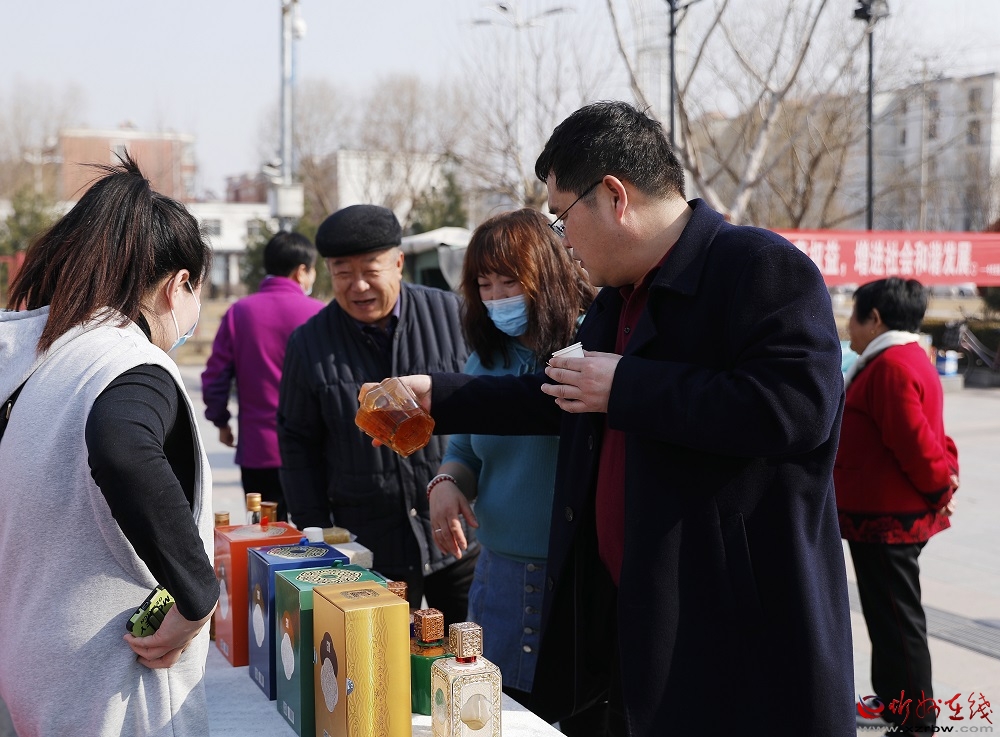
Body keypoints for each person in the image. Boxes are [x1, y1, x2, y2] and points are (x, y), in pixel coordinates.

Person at [369, 102, 855, 736]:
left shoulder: (758, 268)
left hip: (733, 619)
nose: (562, 239)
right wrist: (439, 395)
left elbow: (799, 408)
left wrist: (629, 386)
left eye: (562, 216)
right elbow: (557, 397)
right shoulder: (616, 302)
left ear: (614, 197)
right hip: (632, 614)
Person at [0, 155, 219, 736]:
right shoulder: (126, 363)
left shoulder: (41, 357)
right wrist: (198, 593)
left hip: (36, 663)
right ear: (178, 286)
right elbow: (122, 449)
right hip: (112, 688)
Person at [276, 204, 477, 626]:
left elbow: (488, 408)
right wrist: (317, 532)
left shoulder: (453, 315)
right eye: (343, 272)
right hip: (367, 546)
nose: (359, 285)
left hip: (457, 534)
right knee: (381, 660)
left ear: (399, 263)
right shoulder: (308, 344)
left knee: (467, 653)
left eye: (371, 270)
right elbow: (297, 442)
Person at [427, 208, 595, 704]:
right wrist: (446, 483)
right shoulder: (486, 358)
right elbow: (464, 450)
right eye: (485, 284)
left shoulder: (590, 347)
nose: (497, 297)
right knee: (496, 710)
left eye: (510, 281)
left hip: (575, 575)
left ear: (549, 273)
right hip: (498, 574)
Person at [836, 277, 958, 734]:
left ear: (875, 319)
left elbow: (916, 442)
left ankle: (916, 718)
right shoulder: (903, 356)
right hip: (880, 515)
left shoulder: (890, 365)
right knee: (886, 616)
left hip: (890, 519)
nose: (849, 327)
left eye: (854, 316)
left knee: (898, 621)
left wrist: (940, 490)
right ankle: (892, 699)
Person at [201, 231, 324, 521]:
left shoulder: (239, 312)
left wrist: (221, 421)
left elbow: (216, 376)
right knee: (314, 532)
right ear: (301, 271)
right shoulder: (320, 314)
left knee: (265, 533)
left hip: (258, 449)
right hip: (313, 449)